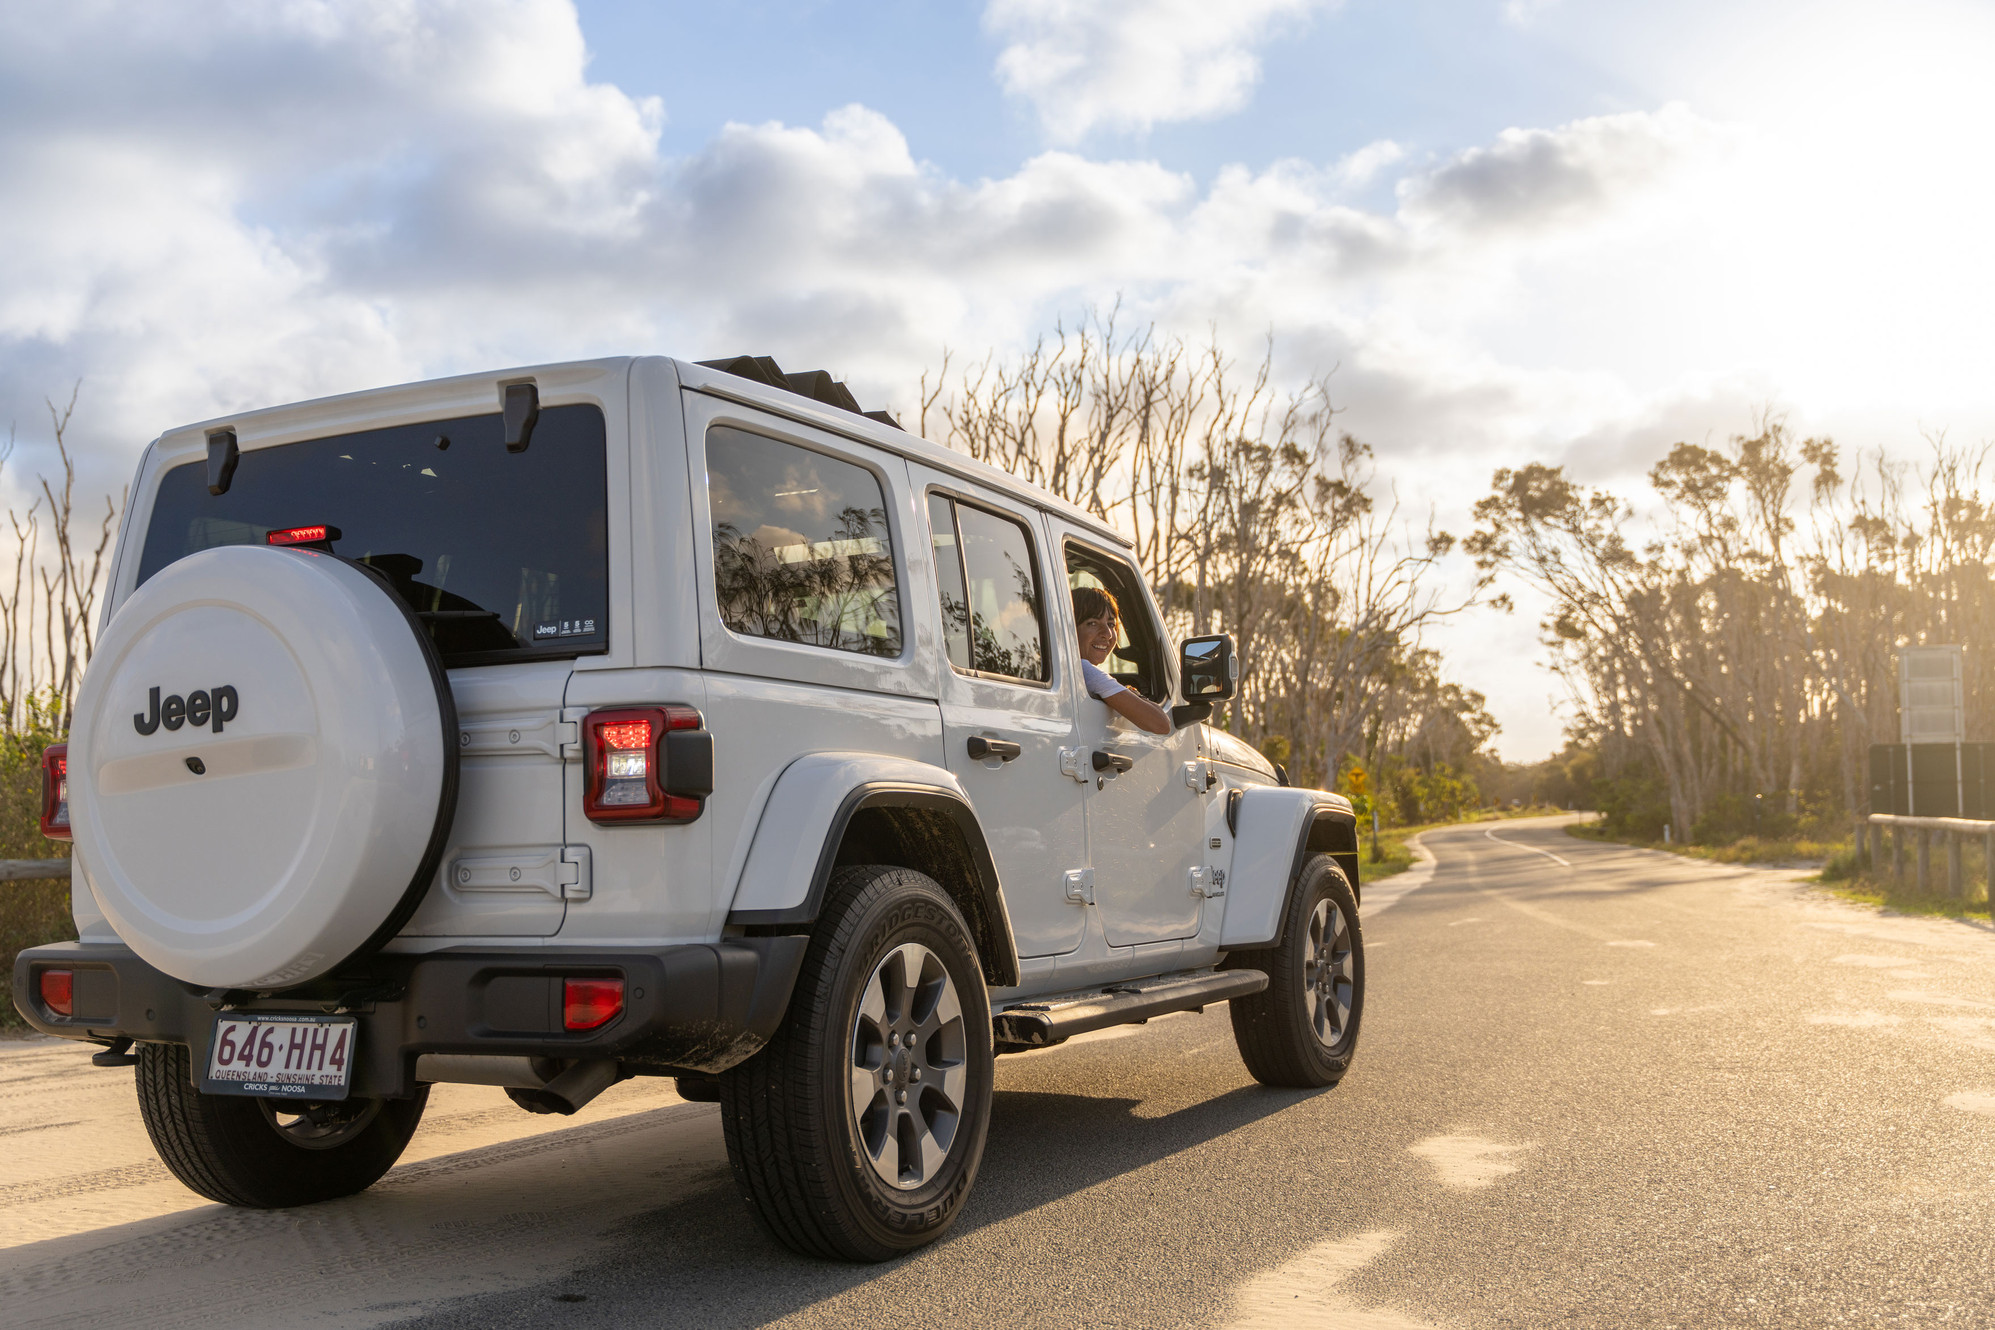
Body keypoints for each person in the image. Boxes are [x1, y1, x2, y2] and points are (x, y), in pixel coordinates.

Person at [1073, 586, 1173, 735]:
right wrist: (1133, 695)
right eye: (1092, 623)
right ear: (1071, 628)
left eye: (1111, 624)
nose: (1107, 634)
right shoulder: (1084, 670)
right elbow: (1160, 724)